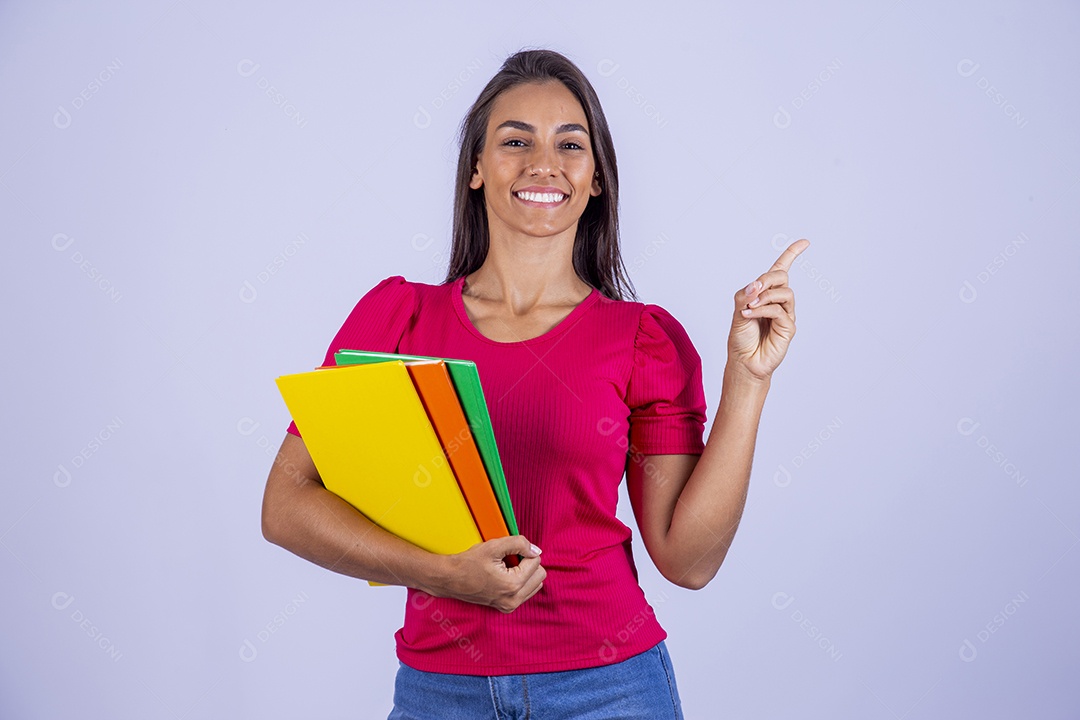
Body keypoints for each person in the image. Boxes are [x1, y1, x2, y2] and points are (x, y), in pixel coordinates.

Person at [261, 48, 809, 719]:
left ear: (597, 178)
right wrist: (443, 575)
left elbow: (687, 560)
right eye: (514, 140)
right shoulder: (396, 318)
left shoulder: (642, 340)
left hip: (608, 690)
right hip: (440, 692)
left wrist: (748, 381)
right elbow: (286, 505)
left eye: (569, 144)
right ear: (476, 170)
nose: (542, 163)